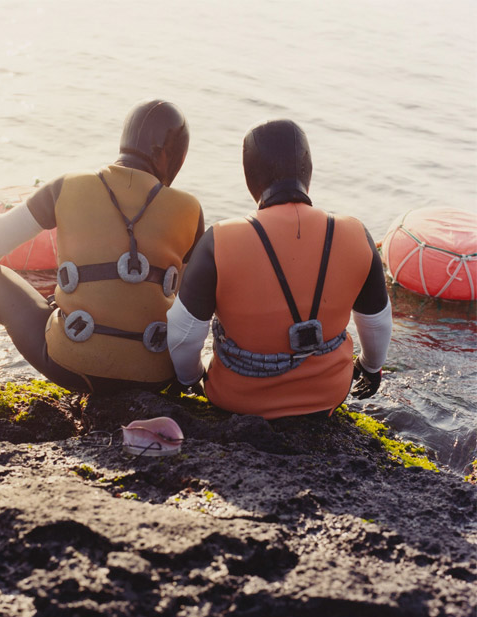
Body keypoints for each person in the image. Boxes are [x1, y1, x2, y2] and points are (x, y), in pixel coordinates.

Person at [0, 99, 204, 403]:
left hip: (71, 366)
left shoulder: (69, 185)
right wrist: (189, 378)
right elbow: (188, 311)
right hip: (154, 377)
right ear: (173, 157)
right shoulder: (190, 210)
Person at [167, 118, 392, 418]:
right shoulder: (355, 233)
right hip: (328, 396)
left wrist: (190, 378)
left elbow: (183, 335)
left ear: (249, 176)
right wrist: (370, 368)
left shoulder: (220, 239)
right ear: (309, 168)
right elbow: (377, 323)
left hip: (238, 400)